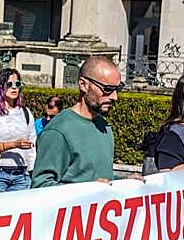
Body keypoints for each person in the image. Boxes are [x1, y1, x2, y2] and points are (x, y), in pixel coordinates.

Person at [31, 56, 121, 188]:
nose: (114, 97)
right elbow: (40, 186)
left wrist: (125, 182)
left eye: (117, 89)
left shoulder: (104, 126)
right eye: (107, 89)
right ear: (83, 84)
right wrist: (86, 189)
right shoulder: (58, 131)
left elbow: (97, 177)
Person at [0, 67, 35, 192]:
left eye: (17, 84)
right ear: (0, 87)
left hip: (21, 175)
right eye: (9, 84)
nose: (14, 88)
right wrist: (14, 144)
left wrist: (31, 170)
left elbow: (32, 144)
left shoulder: (26, 113)